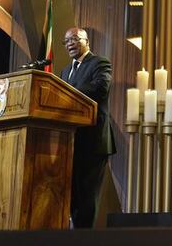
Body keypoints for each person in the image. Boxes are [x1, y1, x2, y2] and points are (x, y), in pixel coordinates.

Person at [60, 27, 115, 228]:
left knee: (87, 196)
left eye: (74, 39)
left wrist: (66, 92)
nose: (70, 44)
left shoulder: (100, 63)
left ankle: (84, 238)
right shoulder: (65, 71)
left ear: (86, 41)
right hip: (71, 141)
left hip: (93, 141)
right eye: (66, 41)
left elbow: (100, 89)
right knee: (72, 196)